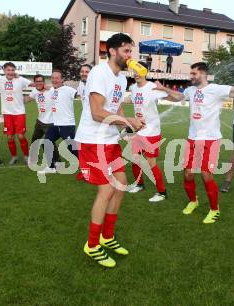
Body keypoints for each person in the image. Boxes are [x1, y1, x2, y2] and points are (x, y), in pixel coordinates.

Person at [154, 62, 234, 224]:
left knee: (205, 174)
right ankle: (193, 201)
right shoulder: (191, 90)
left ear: (203, 74)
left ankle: (214, 209)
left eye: (194, 74)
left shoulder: (216, 89)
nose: (191, 77)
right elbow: (179, 97)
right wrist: (164, 89)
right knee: (188, 173)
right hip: (193, 138)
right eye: (191, 74)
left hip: (211, 139)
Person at [75, 33, 144, 267]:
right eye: (126, 50)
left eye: (130, 51)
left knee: (121, 186)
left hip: (110, 141)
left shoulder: (122, 79)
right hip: (93, 140)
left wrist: (129, 125)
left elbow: (116, 109)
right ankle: (92, 245)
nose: (129, 56)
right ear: (113, 51)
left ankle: (107, 236)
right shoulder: (98, 73)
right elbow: (97, 112)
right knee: (106, 190)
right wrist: (127, 122)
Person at [124, 62, 168, 202]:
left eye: (139, 71)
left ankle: (162, 192)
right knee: (135, 158)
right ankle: (139, 184)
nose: (136, 74)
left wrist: (166, 90)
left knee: (151, 163)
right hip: (139, 131)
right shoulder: (133, 88)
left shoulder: (152, 87)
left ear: (145, 72)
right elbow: (129, 99)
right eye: (134, 71)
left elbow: (169, 96)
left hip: (151, 132)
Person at [38, 69, 78, 174]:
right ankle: (52, 167)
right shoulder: (53, 90)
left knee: (72, 148)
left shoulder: (68, 89)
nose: (54, 80)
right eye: (52, 78)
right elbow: (46, 87)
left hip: (67, 125)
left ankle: (87, 166)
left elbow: (79, 94)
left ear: (62, 79)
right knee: (46, 142)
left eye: (57, 78)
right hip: (56, 124)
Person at [0, 62, 32, 165]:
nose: (10, 72)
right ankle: (14, 156)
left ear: (15, 71)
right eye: (8, 70)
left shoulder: (20, 79)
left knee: (21, 136)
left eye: (12, 70)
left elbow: (34, 85)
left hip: (19, 113)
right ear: (4, 71)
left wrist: (31, 97)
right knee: (10, 137)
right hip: (7, 114)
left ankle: (26, 156)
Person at [24, 74, 58, 165]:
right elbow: (27, 100)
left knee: (50, 142)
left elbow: (60, 88)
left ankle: (57, 161)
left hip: (50, 122)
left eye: (41, 81)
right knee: (35, 140)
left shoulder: (51, 90)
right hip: (40, 122)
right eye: (37, 81)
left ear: (44, 82)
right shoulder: (35, 90)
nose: (39, 83)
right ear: (34, 83)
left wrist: (51, 87)